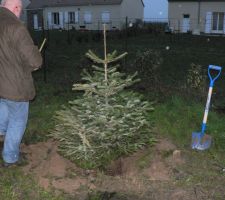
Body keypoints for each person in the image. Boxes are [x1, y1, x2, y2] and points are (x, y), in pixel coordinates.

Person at [0, 0, 42, 167]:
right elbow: (35, 61)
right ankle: (10, 158)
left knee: (3, 108)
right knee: (18, 119)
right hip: (15, 85)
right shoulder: (16, 27)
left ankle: (2, 136)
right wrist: (35, 55)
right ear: (16, 8)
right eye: (21, 10)